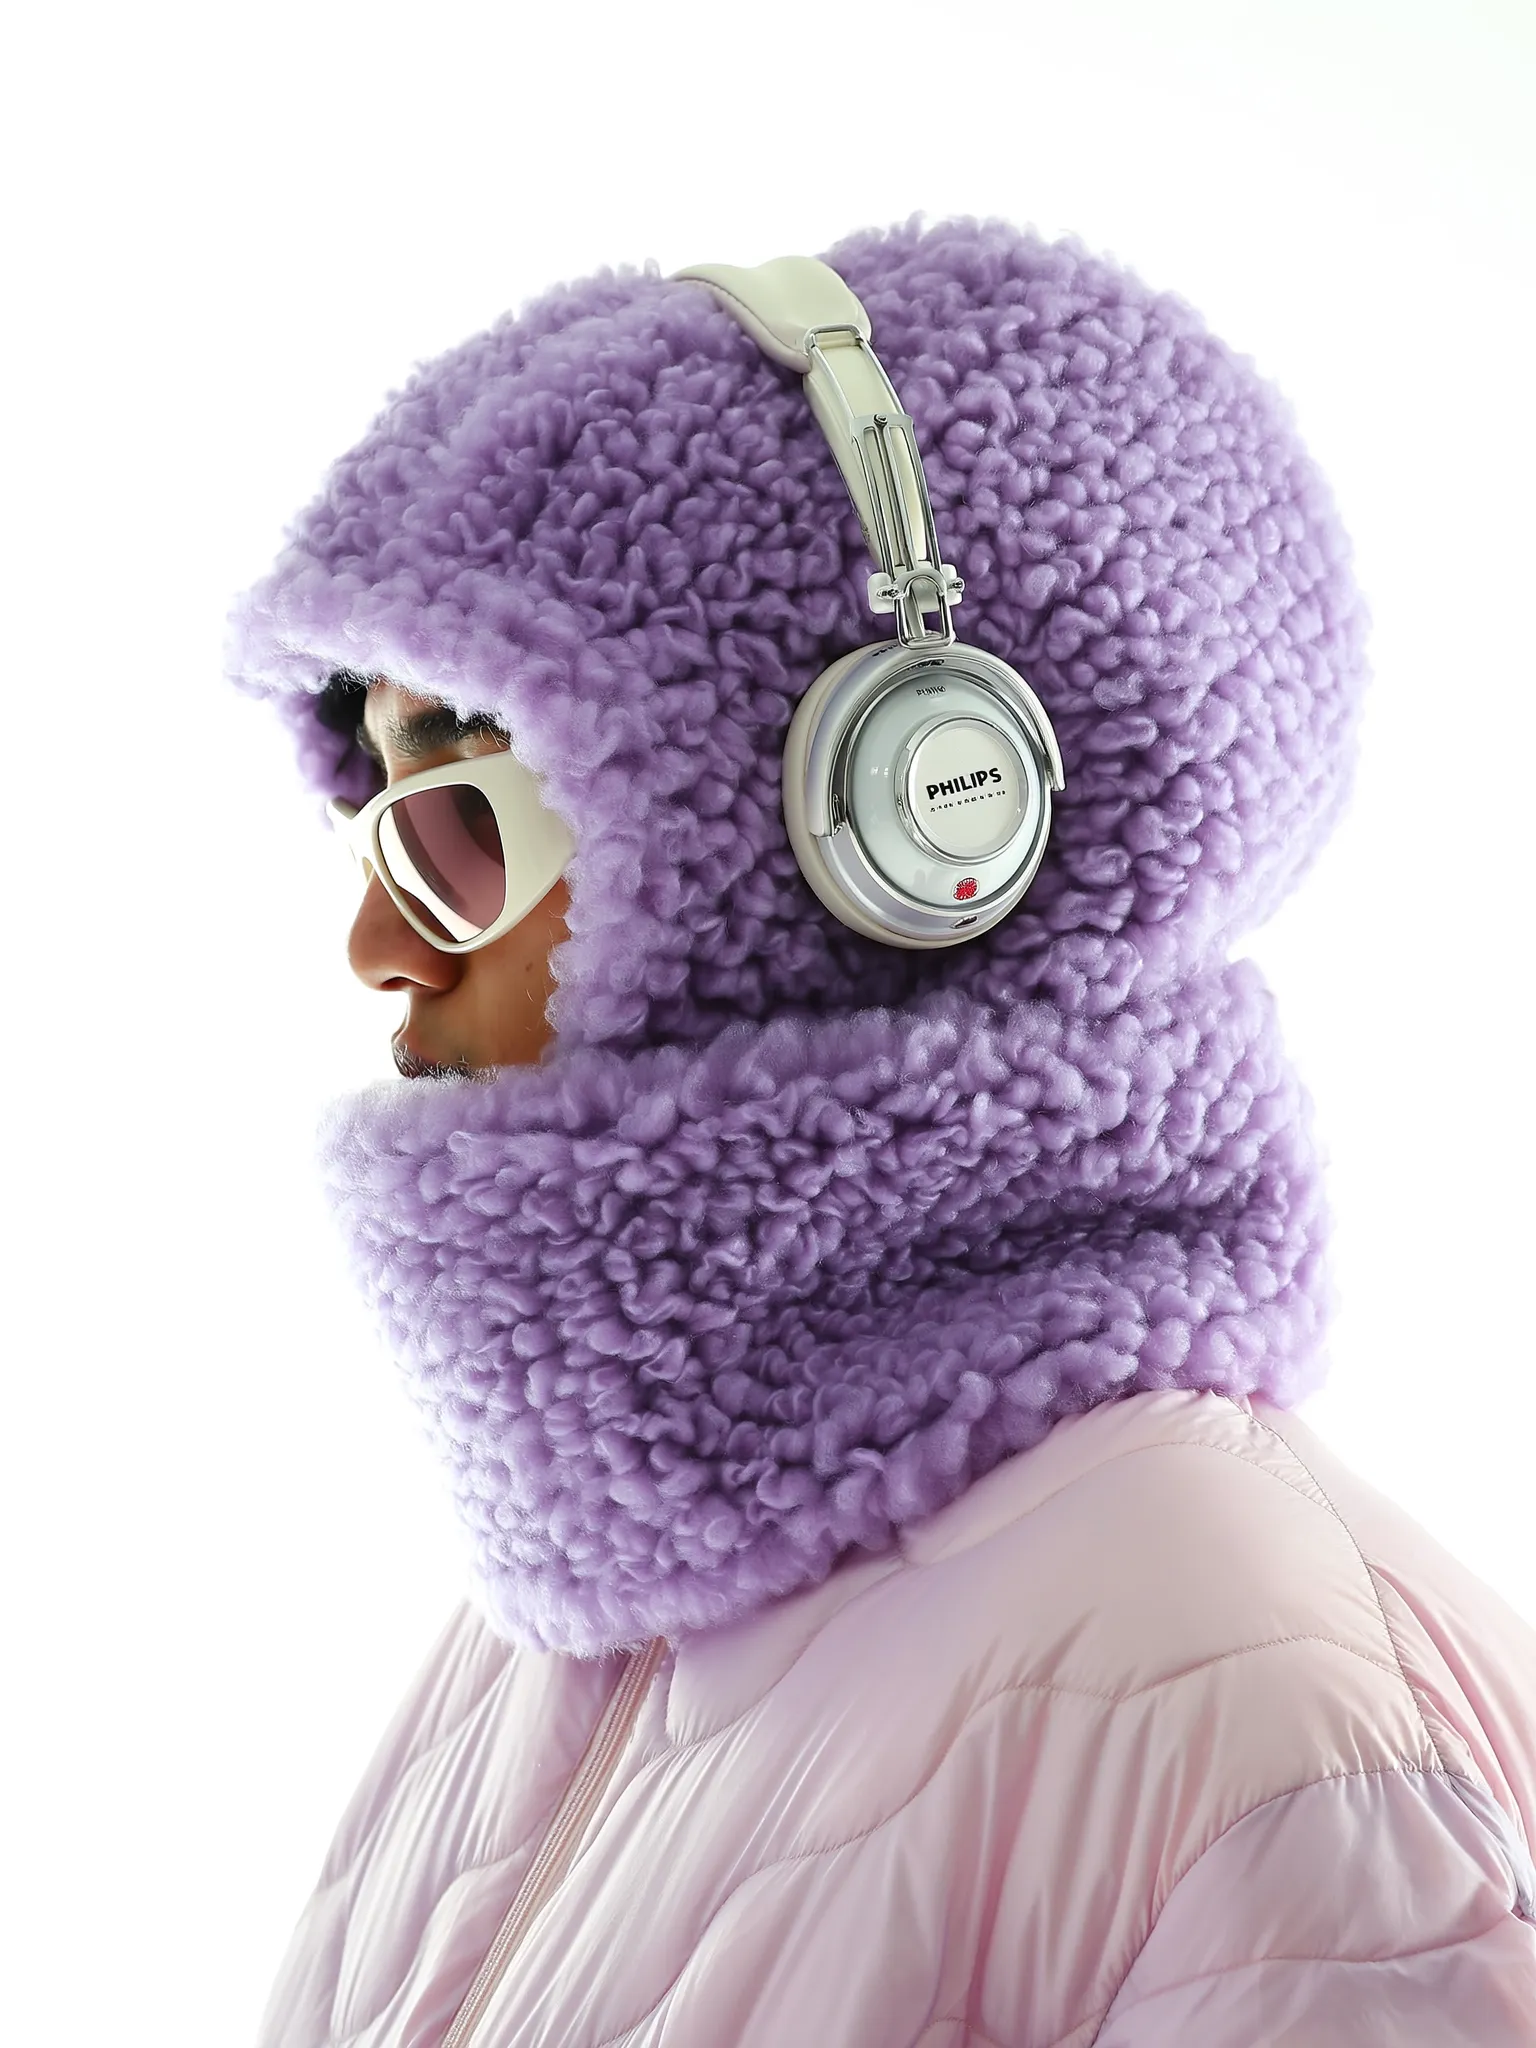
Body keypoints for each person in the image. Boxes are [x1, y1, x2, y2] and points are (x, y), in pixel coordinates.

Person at [227, 217, 1536, 2046]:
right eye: (372, 811)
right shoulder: (566, 1626)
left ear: (907, 835)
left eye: (461, 823)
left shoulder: (1261, 1724)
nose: (378, 944)